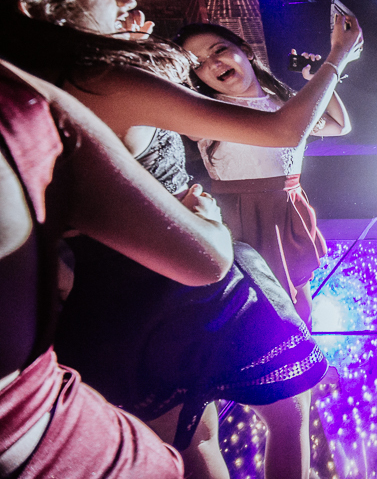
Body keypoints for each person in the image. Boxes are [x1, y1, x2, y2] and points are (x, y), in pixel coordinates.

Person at [0, 0, 361, 479]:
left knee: (193, 445)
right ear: (36, 5)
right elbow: (288, 132)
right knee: (289, 415)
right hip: (193, 277)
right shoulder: (103, 78)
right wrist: (340, 56)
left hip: (114, 307)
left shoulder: (38, 91)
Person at [0, 60, 234, 478]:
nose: (125, 0)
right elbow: (208, 261)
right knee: (189, 438)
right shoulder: (73, 88)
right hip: (142, 288)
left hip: (145, 283)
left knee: (196, 434)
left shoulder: (35, 88)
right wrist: (210, 221)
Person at [175, 23, 350, 328]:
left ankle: (308, 360)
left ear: (246, 50)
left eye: (219, 50)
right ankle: (283, 368)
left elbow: (339, 125)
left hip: (288, 207)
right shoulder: (205, 111)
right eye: (198, 63)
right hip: (243, 216)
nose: (213, 64)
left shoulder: (284, 104)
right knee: (263, 308)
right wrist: (336, 60)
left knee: (301, 298)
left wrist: (318, 79)